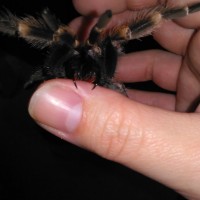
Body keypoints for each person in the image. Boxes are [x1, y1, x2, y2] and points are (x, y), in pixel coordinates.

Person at [28, 0, 200, 199]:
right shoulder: (68, 63)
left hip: (68, 122)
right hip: (59, 120)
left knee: (103, 39)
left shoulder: (99, 58)